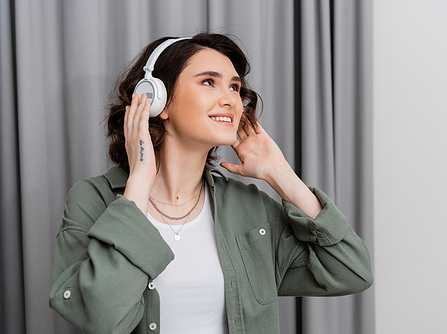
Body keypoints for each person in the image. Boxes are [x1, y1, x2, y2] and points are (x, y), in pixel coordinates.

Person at [49, 33, 373, 334]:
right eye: (209, 82)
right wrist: (141, 178)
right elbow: (100, 316)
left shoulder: (249, 207)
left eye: (235, 88)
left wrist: (279, 173)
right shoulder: (93, 199)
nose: (231, 100)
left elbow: (352, 271)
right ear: (156, 100)